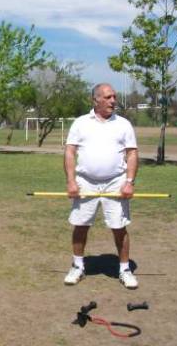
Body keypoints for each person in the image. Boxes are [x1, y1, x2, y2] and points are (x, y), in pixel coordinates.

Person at [63, 83, 139, 289]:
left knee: (119, 227)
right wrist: (71, 181)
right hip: (85, 181)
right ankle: (78, 266)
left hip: (116, 182)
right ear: (95, 100)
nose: (113, 101)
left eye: (114, 97)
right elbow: (70, 152)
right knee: (80, 224)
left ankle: (124, 269)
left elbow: (132, 154)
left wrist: (129, 182)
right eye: (107, 97)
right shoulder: (80, 123)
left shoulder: (123, 124)